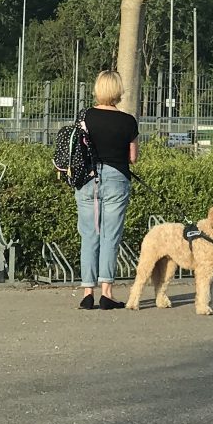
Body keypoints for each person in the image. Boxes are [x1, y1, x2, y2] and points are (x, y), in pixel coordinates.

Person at [76, 70, 139, 311]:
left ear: (98, 89)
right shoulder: (128, 121)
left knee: (89, 235)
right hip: (116, 179)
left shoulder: (85, 117)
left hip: (87, 179)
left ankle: (87, 292)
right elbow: (133, 158)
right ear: (119, 91)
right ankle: (107, 293)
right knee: (110, 236)